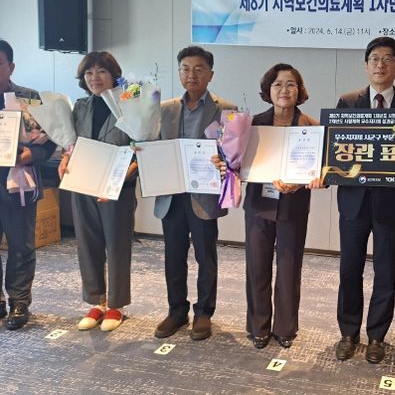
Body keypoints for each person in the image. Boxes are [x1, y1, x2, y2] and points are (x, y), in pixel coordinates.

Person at [334, 36, 395, 364]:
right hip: (353, 203)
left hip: (390, 204)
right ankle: (348, 332)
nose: (380, 65)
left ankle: (376, 336)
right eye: (374, 58)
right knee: (349, 269)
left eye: (388, 59)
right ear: (366, 65)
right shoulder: (347, 103)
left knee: (386, 272)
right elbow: (336, 148)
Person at [153, 45, 235, 341]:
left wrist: (223, 162)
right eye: (185, 69)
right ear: (179, 73)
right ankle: (177, 311)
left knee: (205, 256)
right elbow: (154, 146)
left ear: (210, 74)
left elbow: (233, 154)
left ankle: (204, 312)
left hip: (204, 195)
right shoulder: (164, 109)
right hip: (172, 194)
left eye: (199, 69)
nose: (192, 75)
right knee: (173, 256)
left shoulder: (226, 109)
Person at [57, 51, 137, 332]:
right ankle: (96, 301)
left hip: (118, 185)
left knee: (117, 245)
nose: (95, 78)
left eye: (101, 71)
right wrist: (66, 158)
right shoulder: (80, 107)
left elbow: (142, 146)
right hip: (83, 182)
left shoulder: (130, 105)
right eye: (89, 73)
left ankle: (116, 305)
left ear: (114, 75)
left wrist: (127, 173)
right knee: (87, 243)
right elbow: (72, 144)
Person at [242, 63, 319, 349]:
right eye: (277, 84)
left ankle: (286, 327)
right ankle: (258, 326)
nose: (284, 90)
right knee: (257, 267)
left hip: (293, 206)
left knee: (289, 269)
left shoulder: (310, 126)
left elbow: (320, 169)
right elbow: (239, 162)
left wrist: (303, 182)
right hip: (258, 204)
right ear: (268, 90)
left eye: (290, 84)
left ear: (299, 90)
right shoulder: (253, 124)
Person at [0, 39, 56, 330]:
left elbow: (50, 141)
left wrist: (30, 155)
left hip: (18, 180)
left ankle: (19, 302)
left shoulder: (29, 99)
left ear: (11, 67)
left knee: (21, 244)